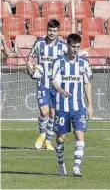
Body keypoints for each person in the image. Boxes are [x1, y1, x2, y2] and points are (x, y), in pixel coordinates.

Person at [52, 33, 93, 177]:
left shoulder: (84, 64)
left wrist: (90, 106)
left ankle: (76, 167)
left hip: (79, 107)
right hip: (62, 107)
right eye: (73, 46)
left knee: (79, 134)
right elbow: (54, 81)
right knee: (60, 139)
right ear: (67, 46)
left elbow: (87, 84)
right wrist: (60, 90)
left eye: (77, 47)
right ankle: (61, 164)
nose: (75, 49)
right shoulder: (59, 62)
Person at [27, 19, 67, 150]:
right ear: (46, 30)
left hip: (56, 85)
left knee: (53, 113)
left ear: (58, 31)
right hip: (42, 83)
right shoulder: (39, 43)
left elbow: (68, 61)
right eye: (50, 30)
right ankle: (42, 135)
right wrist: (30, 67)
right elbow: (30, 58)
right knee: (44, 112)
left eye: (54, 31)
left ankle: (48, 142)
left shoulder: (62, 46)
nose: (52, 33)